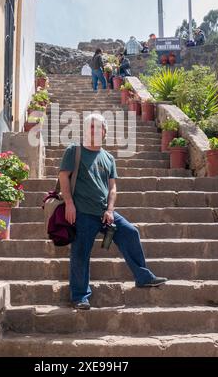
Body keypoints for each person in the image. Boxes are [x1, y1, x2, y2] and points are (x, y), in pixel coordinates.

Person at [59, 114, 168, 310]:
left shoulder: (108, 157)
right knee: (80, 253)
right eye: (90, 127)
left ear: (105, 132)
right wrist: (69, 203)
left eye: (98, 127)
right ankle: (80, 296)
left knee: (130, 232)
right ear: (85, 130)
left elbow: (112, 188)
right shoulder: (73, 151)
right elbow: (63, 177)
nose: (94, 130)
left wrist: (110, 209)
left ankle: (143, 277)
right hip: (82, 212)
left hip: (105, 213)